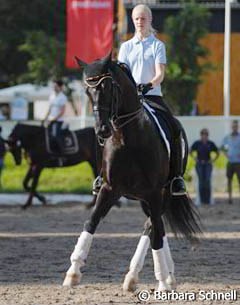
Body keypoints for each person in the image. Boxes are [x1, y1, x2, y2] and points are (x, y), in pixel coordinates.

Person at [117, 4, 186, 196]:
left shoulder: (158, 45)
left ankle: (177, 177)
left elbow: (160, 74)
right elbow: (123, 74)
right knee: (106, 128)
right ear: (133, 21)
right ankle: (102, 176)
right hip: (130, 99)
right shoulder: (125, 47)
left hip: (152, 95)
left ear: (150, 20)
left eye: (143, 18)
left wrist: (149, 84)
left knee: (174, 127)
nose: (140, 22)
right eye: (137, 19)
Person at [190, 128, 219, 205]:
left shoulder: (210, 143)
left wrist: (212, 160)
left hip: (208, 164)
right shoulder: (197, 143)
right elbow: (190, 150)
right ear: (201, 135)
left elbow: (217, 152)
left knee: (207, 181)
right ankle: (201, 199)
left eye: (206, 134)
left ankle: (208, 199)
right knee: (201, 181)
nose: (204, 136)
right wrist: (195, 158)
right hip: (199, 164)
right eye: (203, 134)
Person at [44, 80, 67, 153]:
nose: (54, 88)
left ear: (60, 87)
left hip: (58, 121)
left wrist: (54, 119)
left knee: (56, 135)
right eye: (53, 86)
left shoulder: (63, 97)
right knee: (47, 136)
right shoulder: (52, 96)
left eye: (56, 86)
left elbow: (62, 111)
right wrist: (45, 117)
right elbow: (50, 108)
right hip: (50, 120)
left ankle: (61, 151)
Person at [221, 120, 240, 204]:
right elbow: (222, 147)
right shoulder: (227, 137)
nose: (234, 128)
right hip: (230, 162)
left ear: (238, 127)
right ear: (231, 127)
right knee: (229, 180)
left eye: (236, 126)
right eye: (233, 126)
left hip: (238, 162)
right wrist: (226, 154)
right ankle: (230, 198)